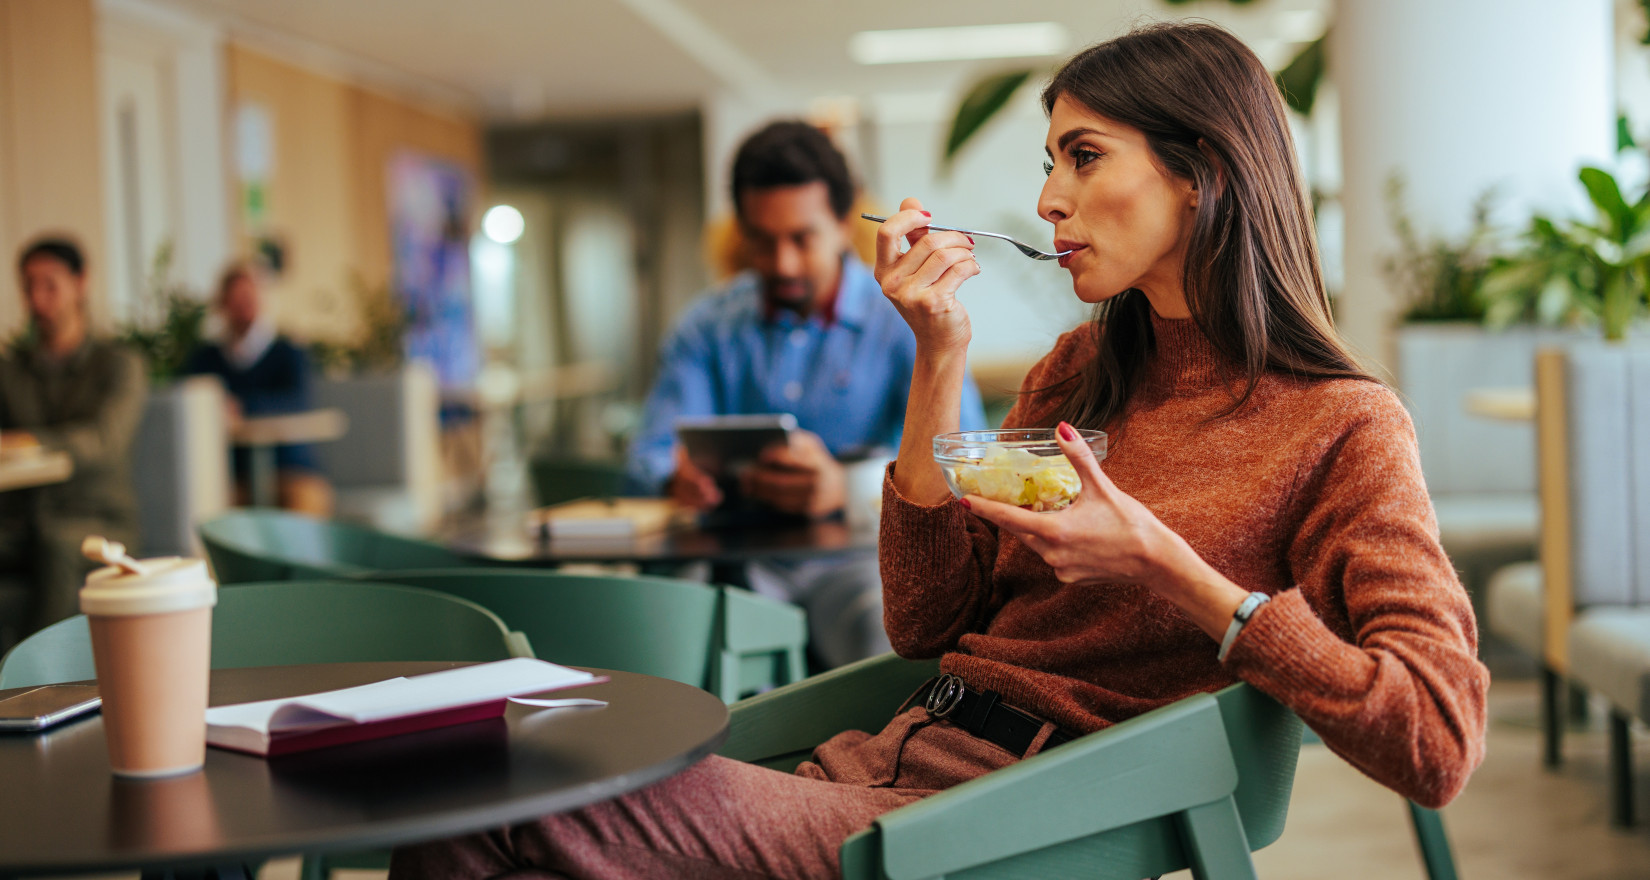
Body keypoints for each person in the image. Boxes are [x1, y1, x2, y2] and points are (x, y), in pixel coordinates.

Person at [391, 23, 1488, 880]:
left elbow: (1435, 740)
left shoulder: (1343, 424)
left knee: (506, 783)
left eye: (1084, 155)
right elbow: (927, 621)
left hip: (1003, 817)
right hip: (889, 754)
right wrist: (937, 351)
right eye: (1051, 158)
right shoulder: (1079, 369)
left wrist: (1170, 569)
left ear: (1202, 171)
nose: (1050, 198)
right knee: (487, 816)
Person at [624, 120, 989, 668]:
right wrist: (677, 476)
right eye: (763, 241)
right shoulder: (705, 327)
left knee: (886, 645)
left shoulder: (906, 322)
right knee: (672, 646)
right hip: (740, 559)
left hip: (860, 559)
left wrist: (841, 489)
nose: (783, 263)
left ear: (844, 224)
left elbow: (965, 462)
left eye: (801, 238)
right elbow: (647, 457)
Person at [0, 237, 147, 644]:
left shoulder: (119, 364)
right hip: (24, 519)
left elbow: (104, 440)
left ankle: (35, 688)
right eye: (29, 286)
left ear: (81, 283)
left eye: (50, 285)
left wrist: (31, 442)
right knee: (40, 537)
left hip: (98, 520)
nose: (37, 299)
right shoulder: (13, 369)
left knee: (55, 544)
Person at [182, 263, 333, 516]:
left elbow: (298, 401)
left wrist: (242, 407)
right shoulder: (206, 359)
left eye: (250, 297)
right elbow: (188, 400)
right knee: (207, 508)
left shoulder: (288, 353)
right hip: (233, 472)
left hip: (289, 467)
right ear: (223, 305)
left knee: (308, 501)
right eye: (236, 299)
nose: (244, 305)